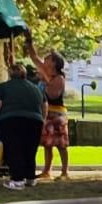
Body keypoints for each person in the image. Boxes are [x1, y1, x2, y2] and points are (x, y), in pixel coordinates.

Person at [0, 60, 45, 190]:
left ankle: (17, 180)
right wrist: (43, 119)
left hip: (11, 120)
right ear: (24, 74)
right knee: (30, 149)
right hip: (35, 121)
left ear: (10, 74)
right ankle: (30, 178)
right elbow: (44, 105)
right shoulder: (35, 88)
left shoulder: (2, 87)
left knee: (15, 149)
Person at [24, 33, 69, 181]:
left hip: (57, 114)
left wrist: (45, 80)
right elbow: (34, 57)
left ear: (55, 63)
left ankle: (64, 172)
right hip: (46, 112)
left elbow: (53, 95)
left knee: (61, 144)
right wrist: (29, 42)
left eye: (49, 59)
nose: (45, 60)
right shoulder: (44, 71)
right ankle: (47, 170)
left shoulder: (59, 78)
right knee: (47, 143)